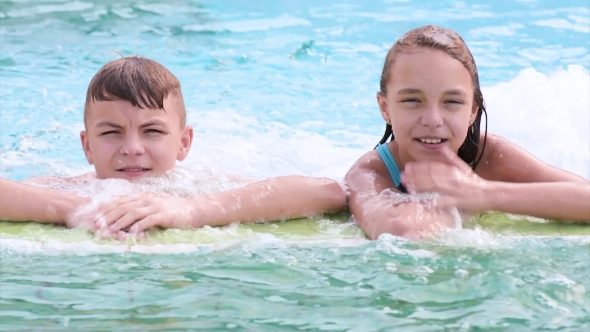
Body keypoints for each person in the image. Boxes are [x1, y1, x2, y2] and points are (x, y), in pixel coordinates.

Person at [1, 56, 348, 239]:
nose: (133, 148)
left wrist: (192, 211)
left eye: (152, 131)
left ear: (183, 143)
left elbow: (328, 193)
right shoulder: (75, 189)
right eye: (111, 133)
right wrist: (71, 209)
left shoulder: (198, 186)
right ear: (87, 146)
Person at [345, 25, 590, 241]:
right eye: (412, 100)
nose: (432, 119)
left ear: (472, 111)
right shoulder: (369, 173)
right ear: (385, 108)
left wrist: (485, 194)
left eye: (451, 102)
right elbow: (397, 230)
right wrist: (452, 204)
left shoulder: (487, 155)